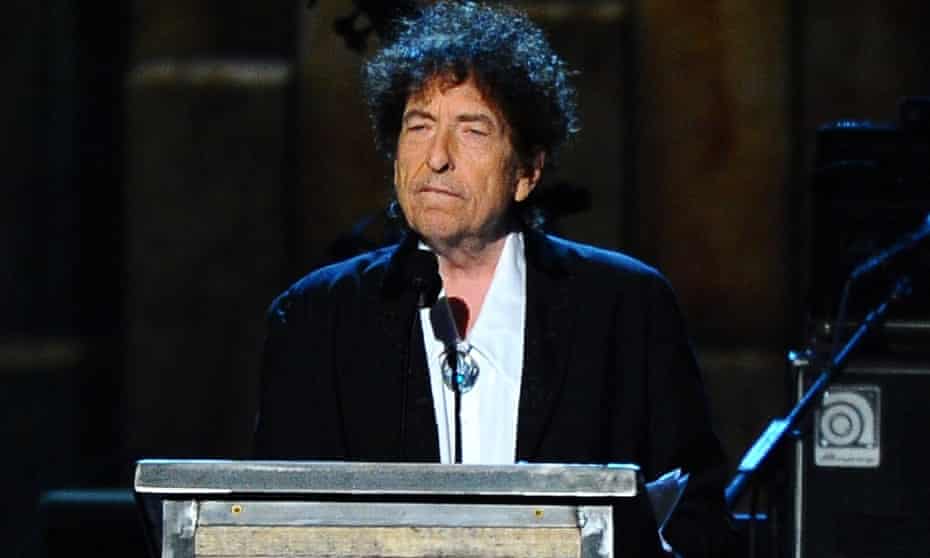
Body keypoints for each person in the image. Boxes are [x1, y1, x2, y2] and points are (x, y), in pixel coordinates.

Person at [254, 1, 734, 555]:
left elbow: (699, 519)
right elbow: (272, 529)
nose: (437, 157)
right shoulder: (316, 318)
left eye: (473, 130)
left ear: (526, 172)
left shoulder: (626, 308)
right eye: (419, 126)